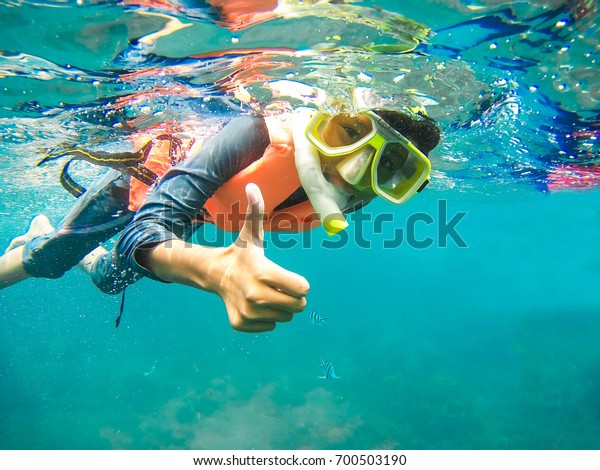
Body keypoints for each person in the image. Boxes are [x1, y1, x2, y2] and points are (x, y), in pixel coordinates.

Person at [0, 106, 440, 332]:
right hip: (147, 183)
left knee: (108, 280)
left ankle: (49, 235)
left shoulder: (356, 197)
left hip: (200, 213)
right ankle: (44, 241)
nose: (349, 170)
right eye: (349, 132)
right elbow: (143, 232)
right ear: (327, 116)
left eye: (387, 167)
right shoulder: (256, 133)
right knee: (46, 263)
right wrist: (214, 270)